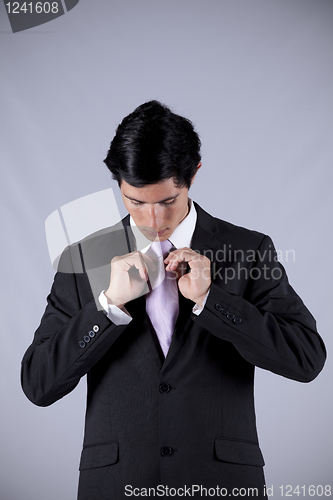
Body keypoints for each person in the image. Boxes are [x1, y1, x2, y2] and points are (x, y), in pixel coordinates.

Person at [21, 101, 326, 499]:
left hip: (221, 484)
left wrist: (212, 299)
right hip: (116, 485)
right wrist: (108, 305)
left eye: (167, 201)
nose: (153, 221)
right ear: (118, 185)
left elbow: (305, 359)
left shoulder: (249, 250)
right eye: (135, 202)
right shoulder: (82, 260)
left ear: (193, 175)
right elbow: (38, 384)